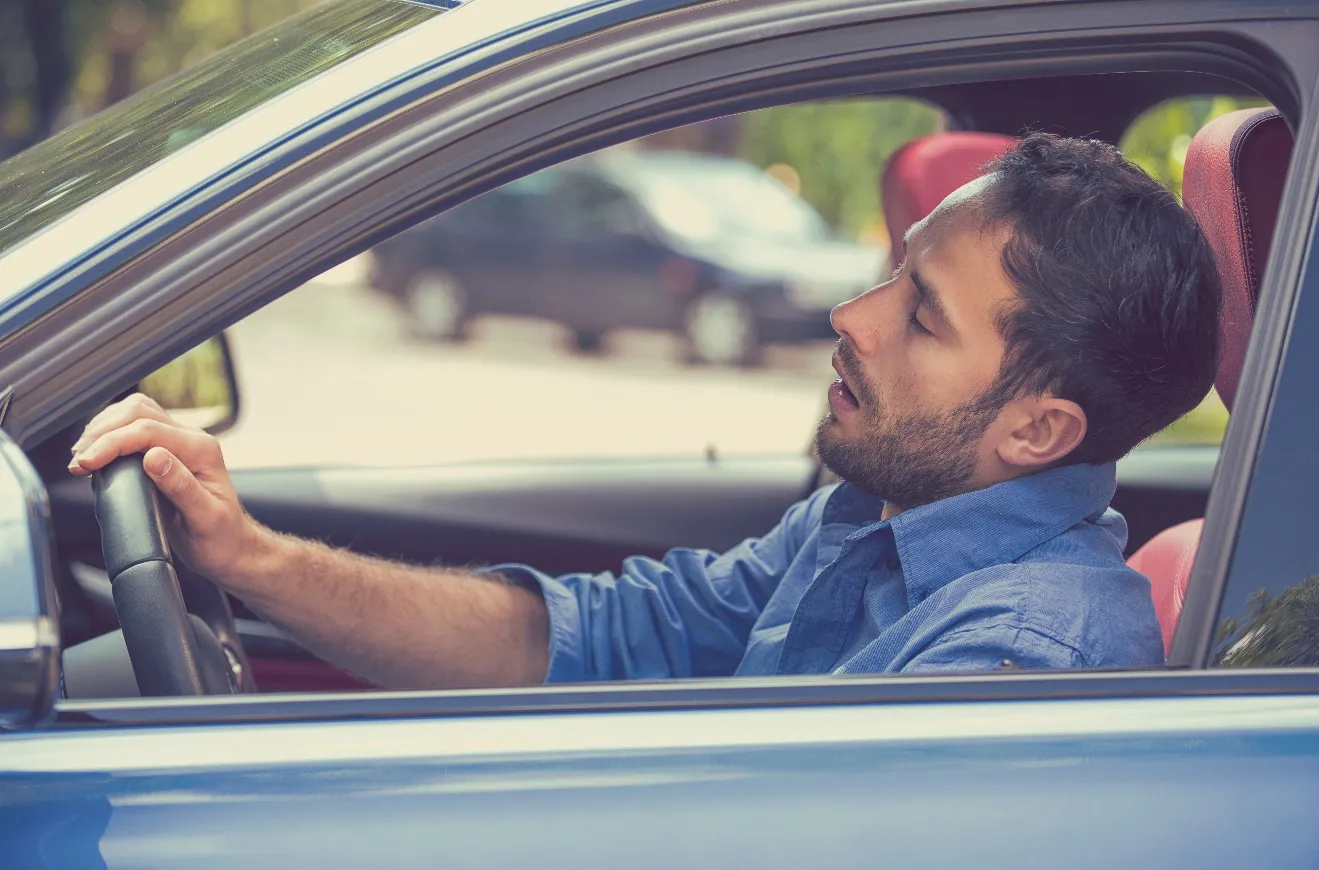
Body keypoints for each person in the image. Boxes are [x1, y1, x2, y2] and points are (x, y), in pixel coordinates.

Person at [67, 134, 1221, 689]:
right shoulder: (869, 518)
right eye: (888, 271)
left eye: (919, 317)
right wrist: (253, 559)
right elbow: (579, 641)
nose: (850, 315)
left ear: (1035, 431)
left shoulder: (1014, 665)